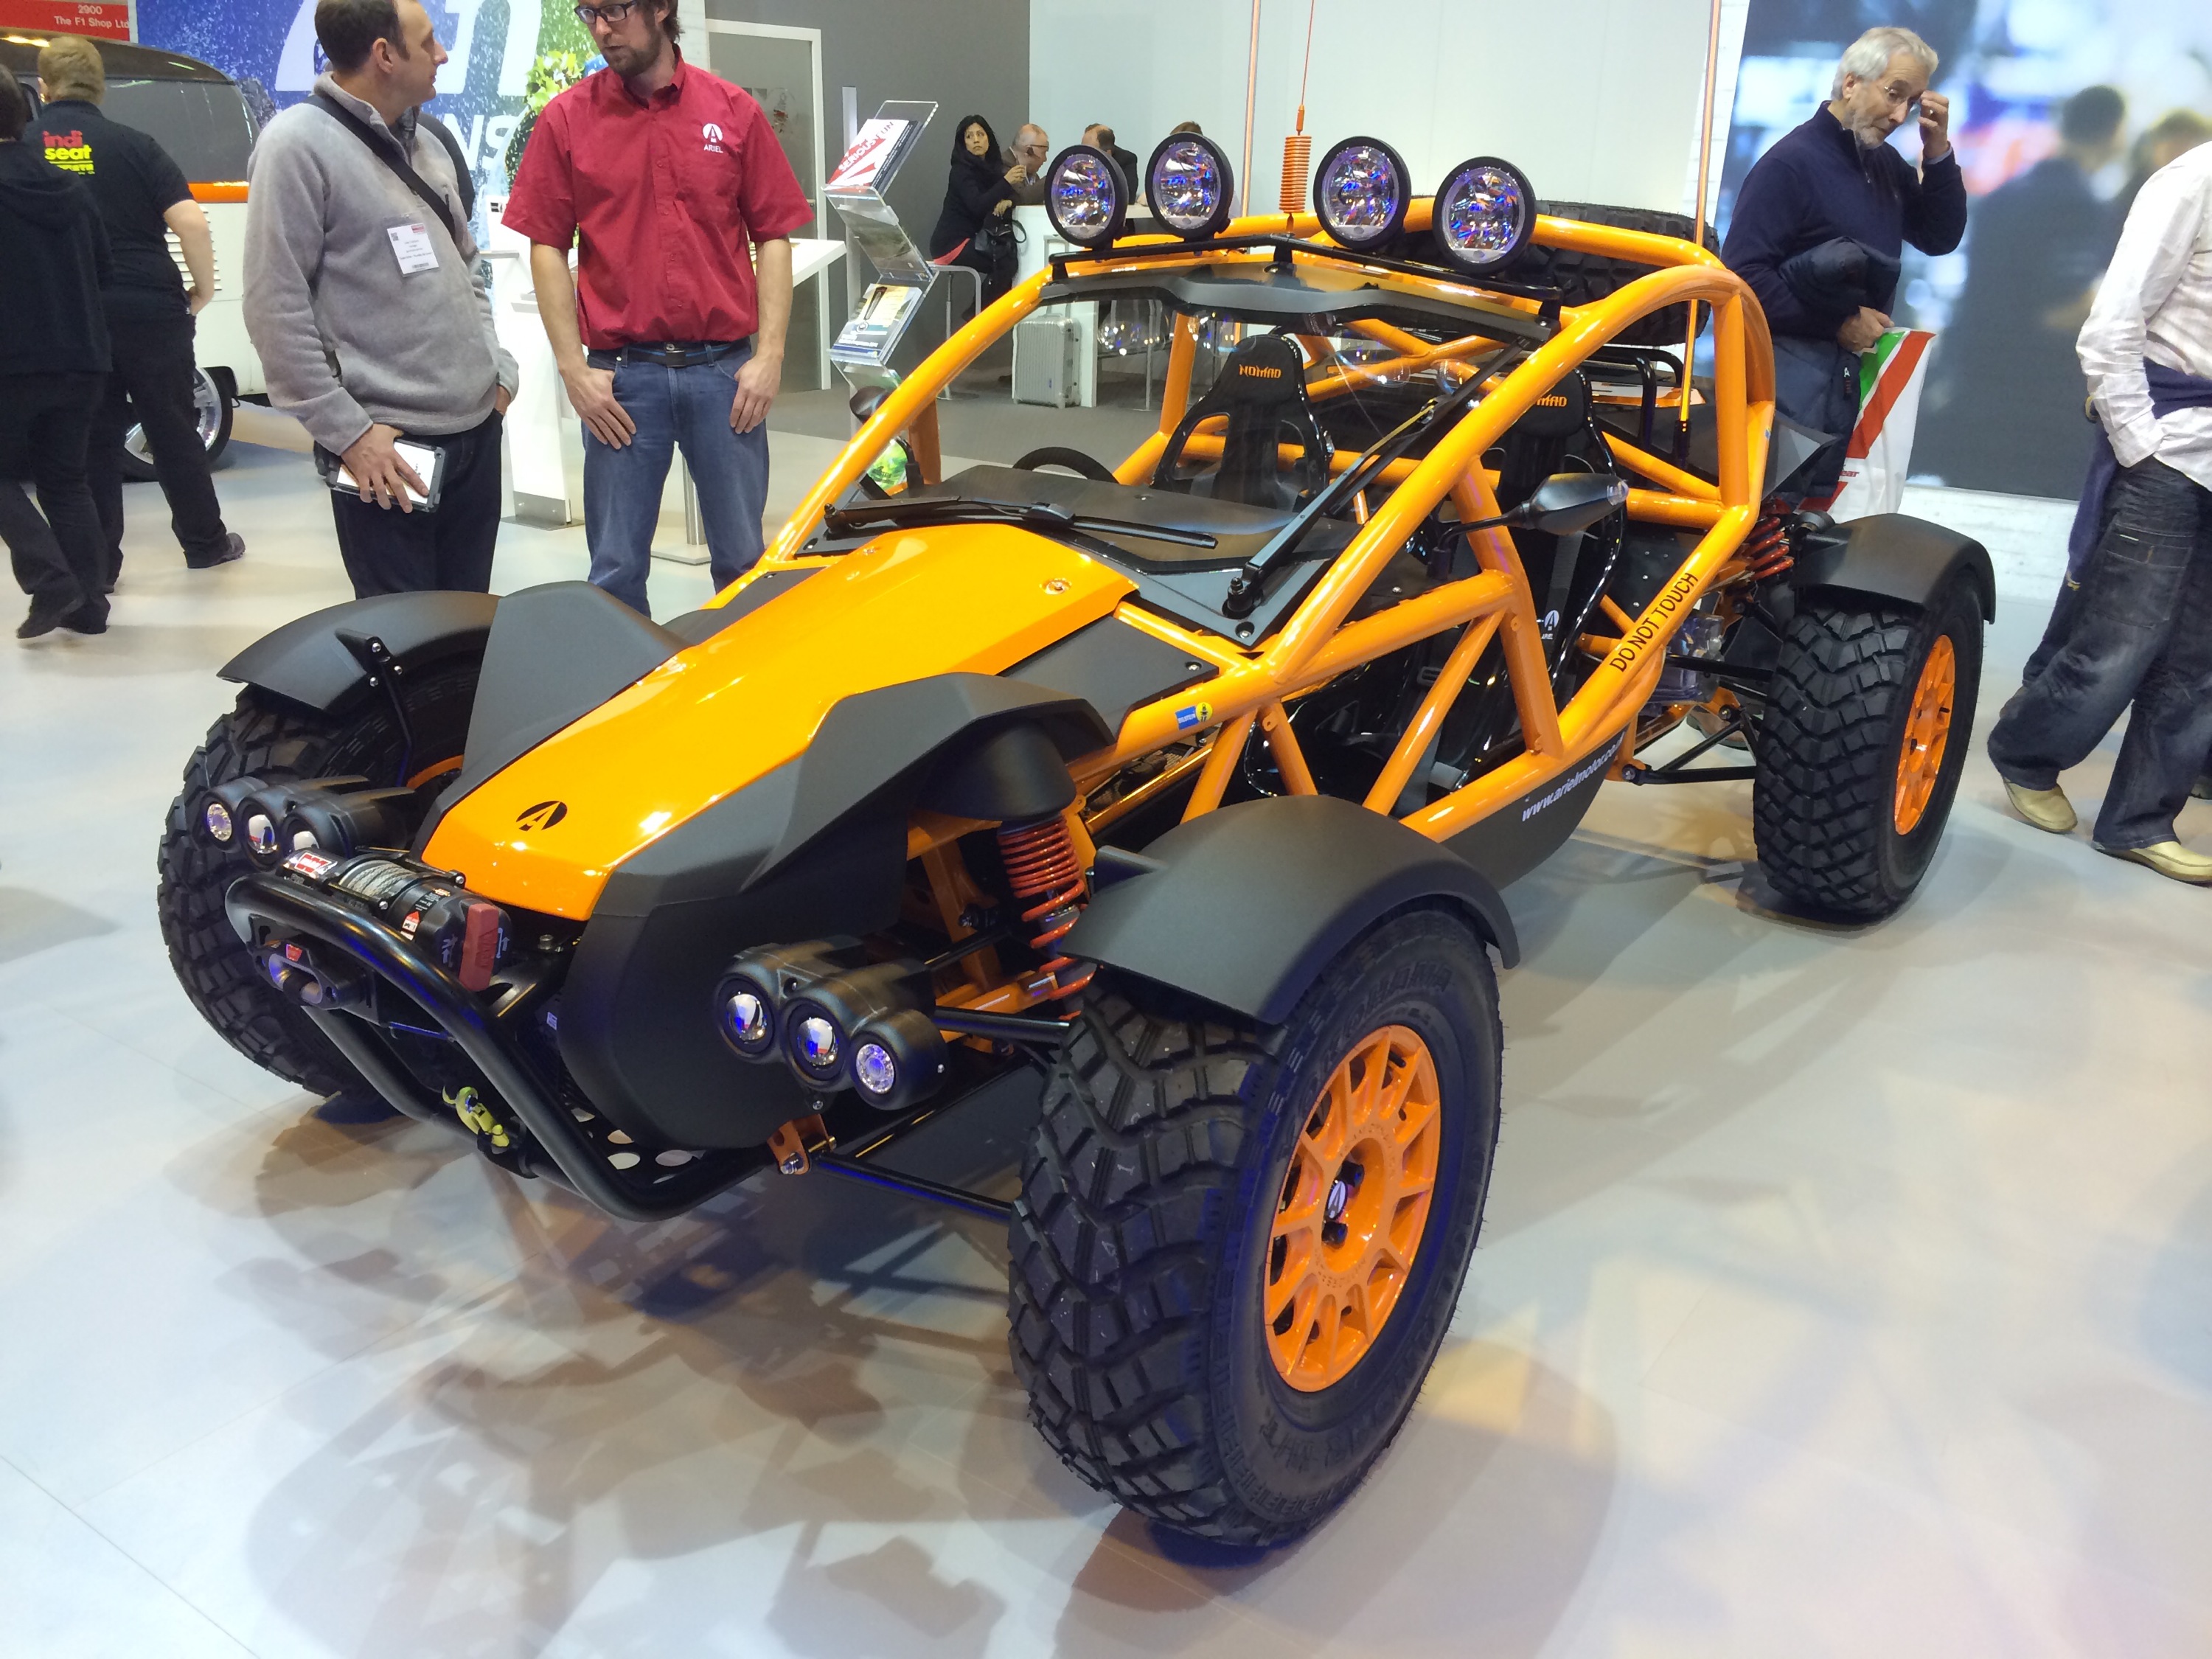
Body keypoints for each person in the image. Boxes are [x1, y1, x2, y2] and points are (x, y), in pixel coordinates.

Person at [507, 0, 810, 616]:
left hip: (724, 376)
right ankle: (631, 679)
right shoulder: (566, 120)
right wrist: (572, 369)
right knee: (615, 569)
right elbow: (546, 245)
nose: (601, 29)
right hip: (622, 380)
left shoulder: (732, 112)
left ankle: (745, 676)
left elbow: (774, 235)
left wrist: (771, 356)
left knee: (744, 564)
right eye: (588, 13)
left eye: (615, 10)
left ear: (662, 8)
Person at [1984, 137, 2212, 884]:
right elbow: (2113, 322)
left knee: (2200, 663)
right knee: (2121, 637)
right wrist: (2139, 442)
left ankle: (2140, 821)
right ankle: (2025, 752)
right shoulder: (2193, 182)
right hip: (2169, 451)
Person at [243, 0, 515, 599]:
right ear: (384, 55)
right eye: (429, 41)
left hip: (476, 431)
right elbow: (274, 308)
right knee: (406, 632)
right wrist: (347, 434)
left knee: (469, 620)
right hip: (387, 449)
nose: (443, 54)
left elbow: (466, 264)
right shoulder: (295, 146)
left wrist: (497, 372)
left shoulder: (430, 142)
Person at [34, 35, 244, 587]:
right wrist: (203, 290)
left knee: (91, 440)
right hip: (150, 307)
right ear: (100, 88)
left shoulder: (25, 148)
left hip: (71, 315)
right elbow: (191, 222)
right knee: (173, 428)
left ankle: (100, 564)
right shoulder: (135, 145)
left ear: (44, 87)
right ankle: (205, 544)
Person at [1722, 25, 1966, 495]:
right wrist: (1838, 323)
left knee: (1815, 523)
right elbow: (1742, 280)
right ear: (1851, 82)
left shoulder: (1884, 164)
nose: (1900, 115)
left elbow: (1939, 237)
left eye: (1912, 102)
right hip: (1781, 394)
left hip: (1843, 389)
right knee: (1770, 522)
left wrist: (1937, 152)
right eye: (1894, 94)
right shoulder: (1789, 165)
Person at [1914, 86, 2126, 498]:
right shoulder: (2075, 204)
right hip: (2033, 407)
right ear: (2115, 132)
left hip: (1977, 389)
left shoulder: (2007, 194)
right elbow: (2062, 309)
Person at [0, 68, 111, 638]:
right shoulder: (69, 186)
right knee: (66, 481)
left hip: (12, 360)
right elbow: (102, 269)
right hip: (82, 355)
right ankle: (89, 605)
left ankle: (50, 580)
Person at [928, 114, 1021, 306]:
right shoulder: (961, 171)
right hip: (950, 244)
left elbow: (1012, 195)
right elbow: (978, 206)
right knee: (1005, 262)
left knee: (1007, 258)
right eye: (969, 136)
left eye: (980, 134)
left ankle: (981, 314)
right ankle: (981, 316)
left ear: (989, 139)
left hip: (968, 240)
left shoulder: (989, 169)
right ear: (964, 144)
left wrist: (1008, 201)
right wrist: (1006, 182)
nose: (976, 140)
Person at [1082, 122, 1141, 193]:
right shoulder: (1077, 161)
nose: (1085, 156)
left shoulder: (1126, 160)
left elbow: (1128, 195)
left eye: (1091, 152)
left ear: (1108, 154)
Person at [1007, 122, 1048, 206]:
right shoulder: (1004, 165)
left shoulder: (1032, 174)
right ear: (1029, 151)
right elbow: (1021, 198)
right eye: (1043, 153)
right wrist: (1052, 178)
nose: (1045, 159)